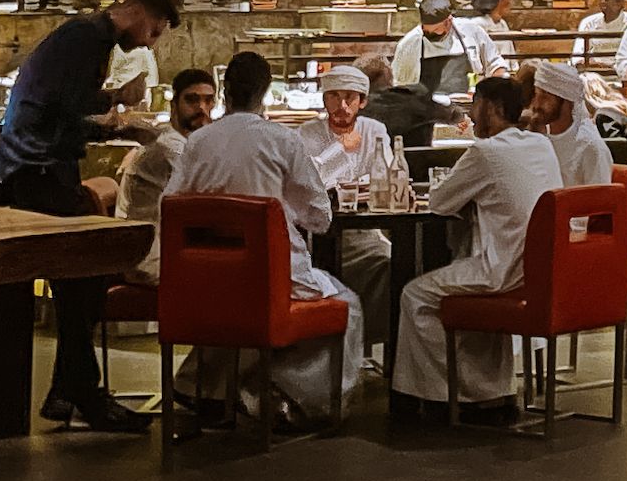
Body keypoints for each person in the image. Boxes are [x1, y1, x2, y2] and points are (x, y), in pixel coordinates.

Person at [0, 0, 180, 432]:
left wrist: (118, 126)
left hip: (38, 166)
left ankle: (68, 391)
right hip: (36, 169)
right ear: (135, 11)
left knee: (79, 281)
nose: (148, 43)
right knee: (84, 275)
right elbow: (68, 104)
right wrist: (119, 99)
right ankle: (85, 396)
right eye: (152, 31)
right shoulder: (85, 38)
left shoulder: (85, 38)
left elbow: (61, 115)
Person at [164, 51, 364, 429]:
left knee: (236, 311)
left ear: (224, 92)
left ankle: (206, 386)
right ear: (266, 93)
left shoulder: (198, 142)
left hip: (208, 275)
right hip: (270, 276)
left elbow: (171, 206)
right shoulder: (281, 140)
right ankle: (293, 400)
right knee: (347, 305)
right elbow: (320, 217)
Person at [392, 77, 561, 413]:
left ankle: (443, 397)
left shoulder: (486, 151)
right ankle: (491, 390)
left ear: (493, 108)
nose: (471, 113)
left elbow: (440, 201)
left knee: (416, 295)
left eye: (476, 105)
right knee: (452, 281)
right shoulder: (541, 145)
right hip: (542, 270)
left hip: (503, 270)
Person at [297, 66, 391, 345]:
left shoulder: (375, 130)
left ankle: (368, 341)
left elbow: (384, 177)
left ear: (362, 101)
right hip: (317, 237)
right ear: (324, 100)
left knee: (387, 262)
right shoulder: (306, 134)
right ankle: (333, 346)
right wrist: (340, 150)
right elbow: (309, 183)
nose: (342, 105)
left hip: (365, 236)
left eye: (350, 97)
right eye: (334, 96)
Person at [115, 67, 215, 284]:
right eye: (192, 100)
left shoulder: (180, 143)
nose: (202, 108)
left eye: (208, 101)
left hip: (164, 251)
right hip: (150, 260)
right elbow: (209, 203)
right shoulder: (169, 148)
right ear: (173, 106)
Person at [392, 0, 508, 95]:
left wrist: (489, 94)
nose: (430, 34)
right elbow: (398, 83)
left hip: (466, 103)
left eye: (436, 29)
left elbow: (496, 63)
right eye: (426, 31)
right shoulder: (409, 43)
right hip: (426, 110)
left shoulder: (471, 30)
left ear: (449, 22)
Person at [528, 60, 613, 186]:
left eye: (545, 97)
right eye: (536, 95)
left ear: (566, 102)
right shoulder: (537, 138)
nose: (536, 104)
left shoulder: (590, 147)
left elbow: (599, 200)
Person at [354, 55, 450, 147]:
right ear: (388, 76)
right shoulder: (413, 101)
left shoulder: (351, 109)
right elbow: (451, 115)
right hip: (415, 162)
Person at [572, 0, 627, 72]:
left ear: (621, 3)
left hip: (622, 72)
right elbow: (578, 53)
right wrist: (583, 64)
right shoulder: (588, 23)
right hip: (593, 71)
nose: (603, 2)